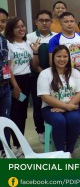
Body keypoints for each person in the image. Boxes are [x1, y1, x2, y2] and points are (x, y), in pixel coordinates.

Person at [37, 45, 80, 154]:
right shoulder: (45, 74)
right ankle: (60, 153)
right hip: (50, 108)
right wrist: (66, 107)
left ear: (69, 58)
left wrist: (66, 107)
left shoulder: (75, 72)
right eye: (58, 56)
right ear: (53, 57)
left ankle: (69, 152)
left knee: (74, 120)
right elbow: (45, 97)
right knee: (59, 121)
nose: (62, 59)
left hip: (71, 104)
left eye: (65, 56)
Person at [5, 17, 40, 155]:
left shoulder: (27, 43)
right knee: (15, 114)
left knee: (24, 114)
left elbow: (34, 65)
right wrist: (15, 86)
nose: (21, 29)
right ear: (11, 29)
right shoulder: (8, 44)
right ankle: (15, 145)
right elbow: (7, 68)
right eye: (17, 27)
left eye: (23, 26)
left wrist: (36, 51)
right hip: (15, 81)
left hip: (28, 80)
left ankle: (20, 144)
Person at [27, 10, 57, 144]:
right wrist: (44, 74)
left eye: (47, 20)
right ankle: (41, 131)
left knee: (55, 102)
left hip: (56, 77)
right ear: (36, 22)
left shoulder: (56, 36)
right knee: (39, 104)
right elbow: (31, 63)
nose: (44, 23)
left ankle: (56, 129)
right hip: (37, 76)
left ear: (51, 22)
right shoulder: (29, 37)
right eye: (41, 20)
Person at [0, 8, 11, 158]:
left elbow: (5, 64)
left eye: (3, 21)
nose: (1, 24)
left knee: (6, 121)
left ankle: (5, 151)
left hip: (5, 88)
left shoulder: (3, 40)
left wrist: (9, 81)